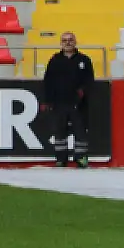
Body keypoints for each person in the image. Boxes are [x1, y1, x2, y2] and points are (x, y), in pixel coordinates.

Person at [41, 31, 93, 168]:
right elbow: (48, 81)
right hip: (59, 102)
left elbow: (90, 80)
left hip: (78, 104)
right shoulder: (55, 60)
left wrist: (83, 92)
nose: (68, 42)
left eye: (70, 40)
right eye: (64, 40)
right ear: (61, 43)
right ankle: (60, 159)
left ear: (75, 42)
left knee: (80, 131)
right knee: (60, 132)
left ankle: (81, 158)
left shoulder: (84, 60)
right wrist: (47, 100)